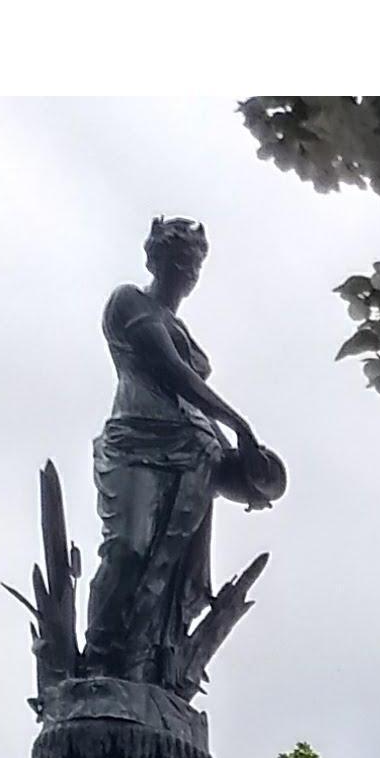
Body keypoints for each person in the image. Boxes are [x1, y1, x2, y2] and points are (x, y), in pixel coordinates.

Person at [79, 217, 282, 690]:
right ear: (154, 260)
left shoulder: (182, 327)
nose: (185, 272)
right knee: (127, 549)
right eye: (177, 262)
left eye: (192, 264)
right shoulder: (129, 302)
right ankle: (99, 663)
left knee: (173, 572)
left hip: (195, 459)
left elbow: (192, 400)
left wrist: (247, 474)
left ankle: (148, 670)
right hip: (135, 441)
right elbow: (171, 372)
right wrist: (240, 425)